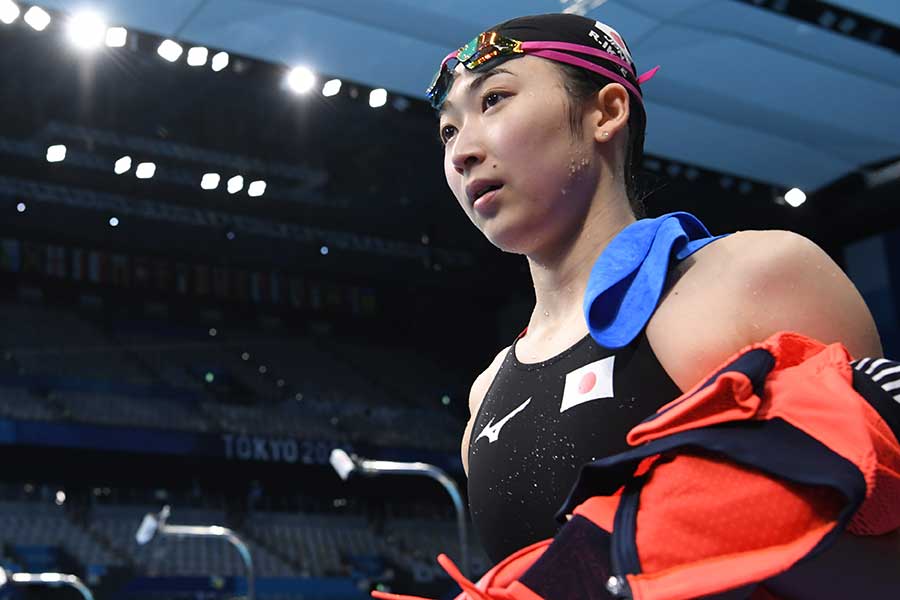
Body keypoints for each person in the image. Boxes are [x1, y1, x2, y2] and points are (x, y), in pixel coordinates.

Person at [417, 11, 898, 599]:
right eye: (446, 131)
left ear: (607, 112)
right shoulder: (486, 394)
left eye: (494, 99)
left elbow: (883, 544)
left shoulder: (756, 280)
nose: (462, 150)